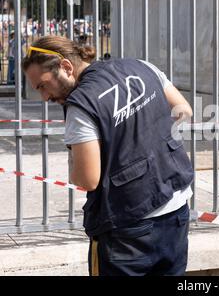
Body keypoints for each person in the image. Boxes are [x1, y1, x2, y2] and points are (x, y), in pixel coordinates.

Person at [22, 36, 194, 276]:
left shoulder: (80, 105)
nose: (44, 97)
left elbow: (87, 179)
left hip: (127, 229)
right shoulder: (142, 66)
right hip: (176, 212)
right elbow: (184, 111)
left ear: (66, 67)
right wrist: (148, 138)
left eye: (42, 85)